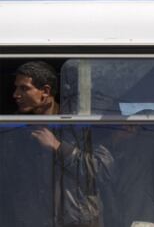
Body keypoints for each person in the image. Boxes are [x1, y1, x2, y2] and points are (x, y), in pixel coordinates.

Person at [1, 61, 113, 227]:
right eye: (16, 88)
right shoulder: (15, 130)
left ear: (45, 91)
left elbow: (101, 171)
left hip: (77, 220)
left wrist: (59, 147)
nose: (16, 95)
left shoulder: (79, 123)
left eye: (24, 88)